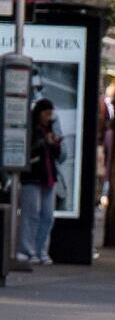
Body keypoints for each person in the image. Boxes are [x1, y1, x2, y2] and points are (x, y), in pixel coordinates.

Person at [17, 99, 63, 265]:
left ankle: (40, 249)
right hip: (33, 176)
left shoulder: (49, 129)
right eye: (46, 114)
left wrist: (55, 144)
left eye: (50, 114)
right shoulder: (32, 130)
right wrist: (45, 143)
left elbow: (58, 155)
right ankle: (27, 249)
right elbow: (28, 150)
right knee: (31, 213)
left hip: (48, 176)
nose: (48, 117)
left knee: (47, 215)